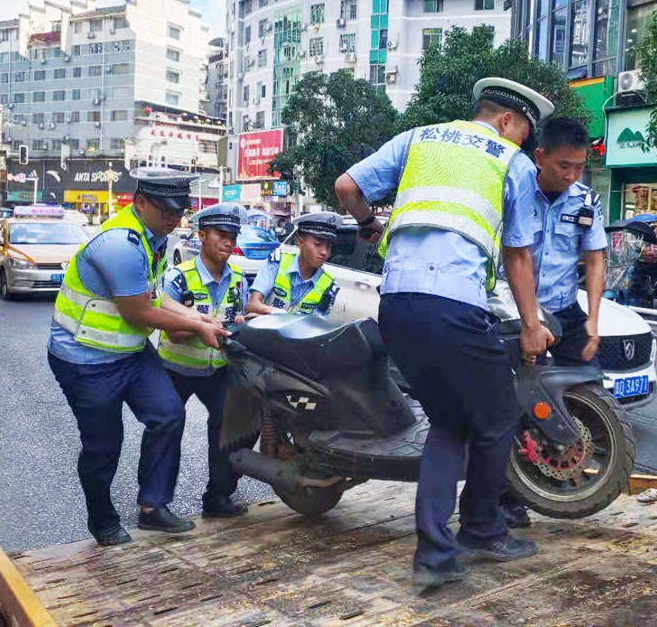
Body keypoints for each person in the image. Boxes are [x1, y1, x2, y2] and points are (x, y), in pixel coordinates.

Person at [335, 77, 556, 591]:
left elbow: (347, 187)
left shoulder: (419, 137)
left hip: (397, 304)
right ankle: (480, 528)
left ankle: (435, 554)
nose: (524, 143)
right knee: (498, 415)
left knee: (449, 422)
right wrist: (531, 325)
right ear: (506, 122)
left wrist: (370, 223)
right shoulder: (511, 161)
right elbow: (517, 254)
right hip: (453, 304)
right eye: (523, 132)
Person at [47, 167, 230, 546]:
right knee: (104, 445)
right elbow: (139, 313)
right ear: (140, 202)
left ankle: (153, 507)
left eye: (179, 212)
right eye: (166, 212)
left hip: (129, 353)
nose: (174, 219)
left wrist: (197, 316)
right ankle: (102, 519)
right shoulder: (120, 245)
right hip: (86, 359)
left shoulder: (155, 238)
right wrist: (198, 328)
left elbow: (153, 296)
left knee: (167, 414)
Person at [499, 116, 608, 529]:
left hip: (564, 312)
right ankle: (507, 498)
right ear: (540, 156)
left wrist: (593, 320)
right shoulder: (514, 193)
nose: (571, 175)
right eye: (564, 166)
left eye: (579, 167)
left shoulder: (584, 201)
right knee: (510, 408)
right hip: (515, 315)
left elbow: (596, 257)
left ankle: (564, 480)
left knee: (584, 395)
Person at [158, 202, 256, 519]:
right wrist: (201, 328)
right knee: (165, 429)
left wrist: (241, 322)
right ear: (202, 235)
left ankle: (218, 497)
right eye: (221, 235)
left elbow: (238, 317)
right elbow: (170, 331)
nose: (228, 242)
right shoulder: (179, 278)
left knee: (232, 428)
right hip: (175, 369)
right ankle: (155, 504)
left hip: (218, 369)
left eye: (233, 236)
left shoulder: (239, 278)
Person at [246, 212, 340, 317]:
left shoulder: (328, 285)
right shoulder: (277, 263)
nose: (324, 252)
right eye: (318, 245)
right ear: (300, 242)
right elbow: (252, 304)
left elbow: (318, 326)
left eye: (328, 247)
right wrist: (276, 313)